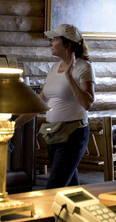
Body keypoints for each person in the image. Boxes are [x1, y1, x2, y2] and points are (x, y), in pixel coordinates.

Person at [40, 23, 95, 189]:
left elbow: (87, 103)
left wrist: (69, 76)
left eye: (54, 39)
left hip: (73, 134)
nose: (50, 43)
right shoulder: (53, 68)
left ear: (67, 43)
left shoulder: (84, 67)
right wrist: (15, 123)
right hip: (54, 133)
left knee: (54, 187)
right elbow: (40, 101)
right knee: (70, 187)